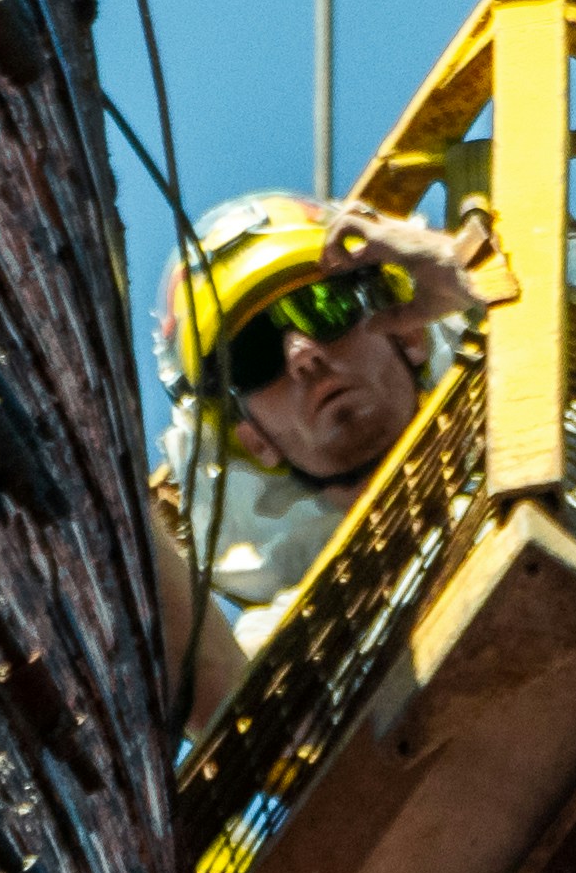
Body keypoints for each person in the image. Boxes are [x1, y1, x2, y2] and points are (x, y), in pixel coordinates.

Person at [159, 192, 489, 733]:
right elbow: (232, 718)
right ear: (254, 440)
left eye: (323, 308)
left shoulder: (543, 409)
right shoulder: (303, 630)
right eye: (256, 354)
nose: (303, 355)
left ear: (409, 334)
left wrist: (463, 271)